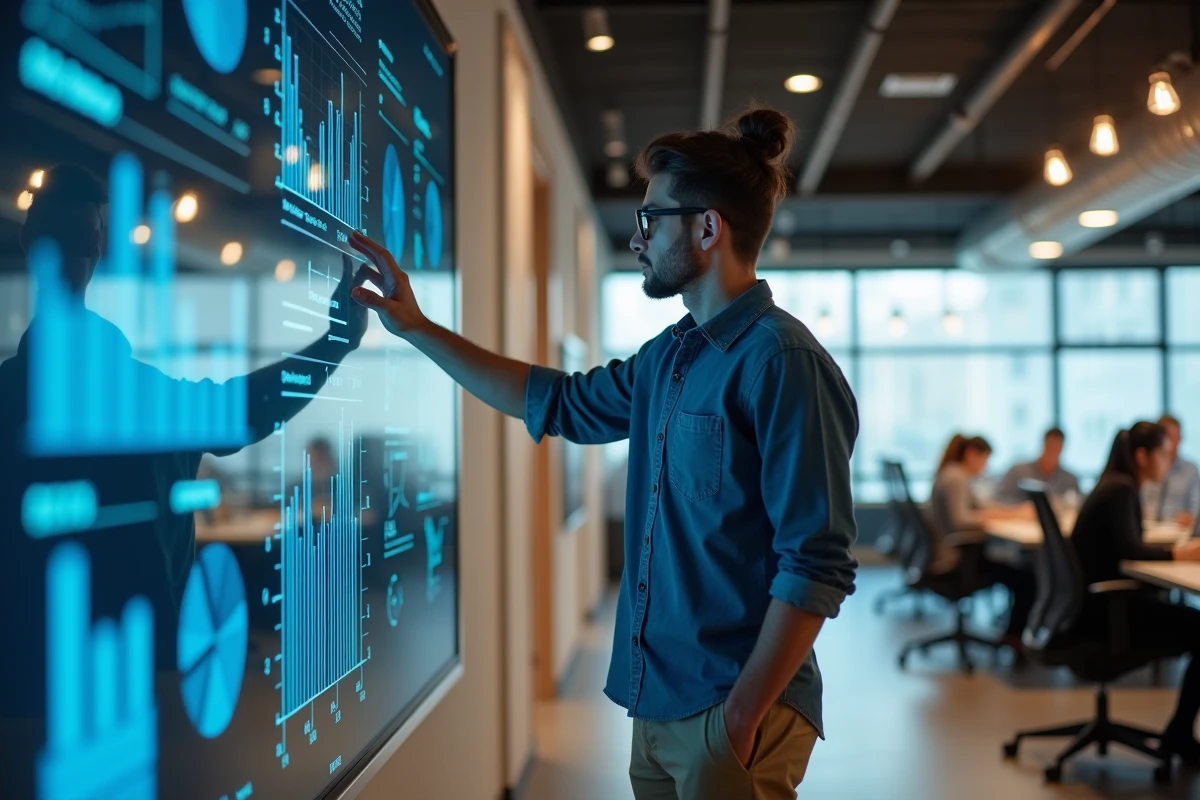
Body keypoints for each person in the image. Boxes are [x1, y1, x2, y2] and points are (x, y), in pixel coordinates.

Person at [349, 107, 858, 799]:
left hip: (733, 710)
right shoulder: (666, 360)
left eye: (652, 219)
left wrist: (740, 716)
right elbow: (552, 400)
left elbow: (817, 562)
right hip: (654, 704)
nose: (637, 238)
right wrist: (417, 328)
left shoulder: (782, 362)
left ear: (708, 228)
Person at [0, 164, 369, 717]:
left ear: (27, 243)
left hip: (22, 678)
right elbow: (245, 409)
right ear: (98, 246)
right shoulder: (140, 397)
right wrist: (336, 342)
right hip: (142, 685)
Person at [1070, 422, 1200, 762]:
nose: (1169, 463)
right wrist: (1178, 553)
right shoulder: (1121, 490)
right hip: (1105, 614)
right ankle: (1180, 736)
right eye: (1164, 455)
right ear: (1142, 457)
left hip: (1089, 608)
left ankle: (1179, 734)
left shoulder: (1115, 485)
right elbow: (1130, 548)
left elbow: (1124, 547)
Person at [927, 434, 1036, 646]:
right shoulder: (956, 478)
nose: (985, 467)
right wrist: (994, 519)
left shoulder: (953, 474)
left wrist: (1012, 513)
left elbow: (983, 508)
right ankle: (1014, 639)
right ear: (971, 455)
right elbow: (961, 519)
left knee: (1020, 573)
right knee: (1026, 580)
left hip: (957, 554)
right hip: (957, 559)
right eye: (984, 460)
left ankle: (1013, 635)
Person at [1141, 414, 1200, 530]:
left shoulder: (1190, 470)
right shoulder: (1146, 467)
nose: (1174, 444)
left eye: (1177, 438)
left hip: (1177, 532)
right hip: (1148, 529)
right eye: (1170, 438)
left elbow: (1195, 511)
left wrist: (1188, 518)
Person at [994, 428, 1080, 505]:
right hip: (1018, 520)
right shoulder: (1018, 471)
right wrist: (1020, 508)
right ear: (1043, 444)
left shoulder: (1070, 479)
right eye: (1050, 446)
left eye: (1057, 447)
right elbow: (998, 498)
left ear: (1062, 448)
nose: (1053, 451)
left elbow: (1078, 504)